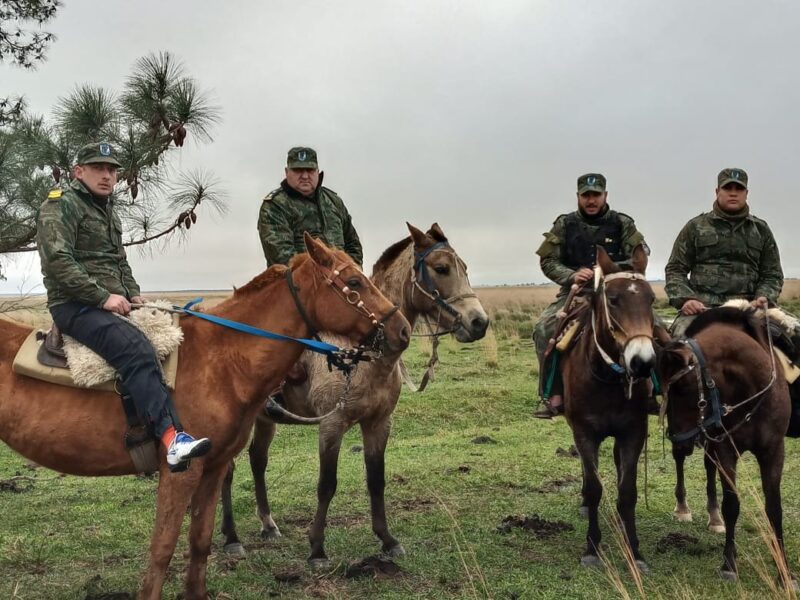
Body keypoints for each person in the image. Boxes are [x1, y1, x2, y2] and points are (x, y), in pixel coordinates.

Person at [36, 141, 210, 472]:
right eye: (98, 168)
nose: (107, 175)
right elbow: (58, 261)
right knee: (136, 350)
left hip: (112, 303)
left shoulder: (106, 210)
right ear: (78, 171)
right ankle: (172, 439)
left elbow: (119, 262)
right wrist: (102, 297)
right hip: (75, 306)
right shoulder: (61, 205)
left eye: (112, 170)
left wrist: (133, 293)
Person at [532, 173, 650, 418]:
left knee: (654, 327)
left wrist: (612, 269)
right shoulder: (565, 224)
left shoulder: (622, 223)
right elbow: (548, 260)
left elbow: (641, 252)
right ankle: (552, 393)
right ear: (578, 197)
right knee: (543, 329)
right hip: (577, 291)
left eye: (596, 194)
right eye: (586, 195)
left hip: (616, 291)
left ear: (605, 195)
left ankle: (653, 389)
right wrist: (571, 275)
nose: (591, 200)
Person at [665, 168, 784, 338]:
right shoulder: (695, 227)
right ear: (717, 192)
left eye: (739, 189)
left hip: (749, 309)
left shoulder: (761, 230)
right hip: (702, 309)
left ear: (746, 193)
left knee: (790, 337)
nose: (733, 194)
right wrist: (686, 299)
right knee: (681, 345)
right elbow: (675, 269)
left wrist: (764, 297)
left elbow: (772, 274)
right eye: (728, 189)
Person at [258, 146, 362, 267]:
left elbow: (353, 245)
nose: (305, 176)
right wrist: (329, 277)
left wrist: (350, 274)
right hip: (300, 283)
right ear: (287, 172)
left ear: (318, 172)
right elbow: (283, 257)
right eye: (298, 170)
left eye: (310, 170)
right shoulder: (274, 206)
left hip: (341, 281)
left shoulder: (333, 201)